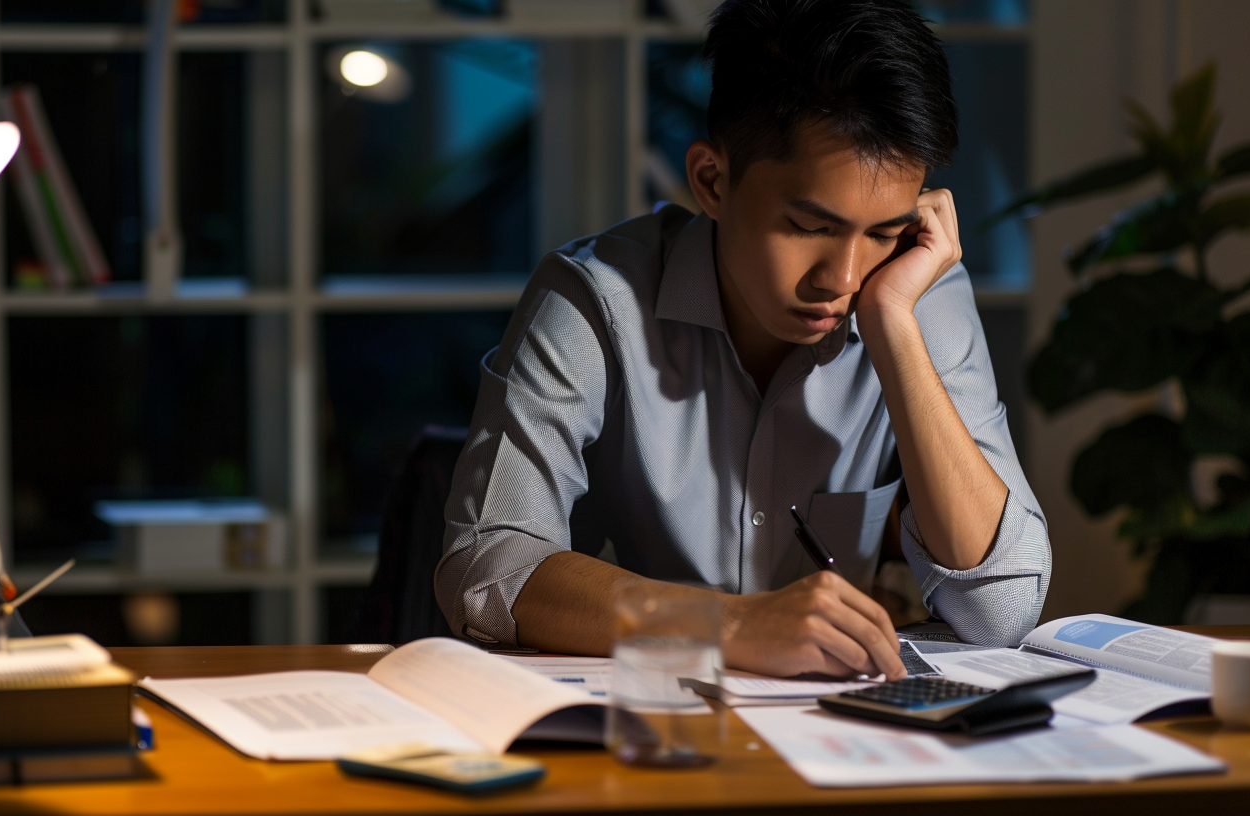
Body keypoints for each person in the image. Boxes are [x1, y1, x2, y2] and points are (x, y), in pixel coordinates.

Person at [434, 0, 1049, 680]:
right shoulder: (593, 298)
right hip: (641, 723)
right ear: (712, 181)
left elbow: (1002, 611)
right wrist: (729, 624)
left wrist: (895, 324)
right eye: (810, 227)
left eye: (882, 233)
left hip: (835, 736)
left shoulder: (912, 289)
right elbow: (486, 565)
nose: (841, 279)